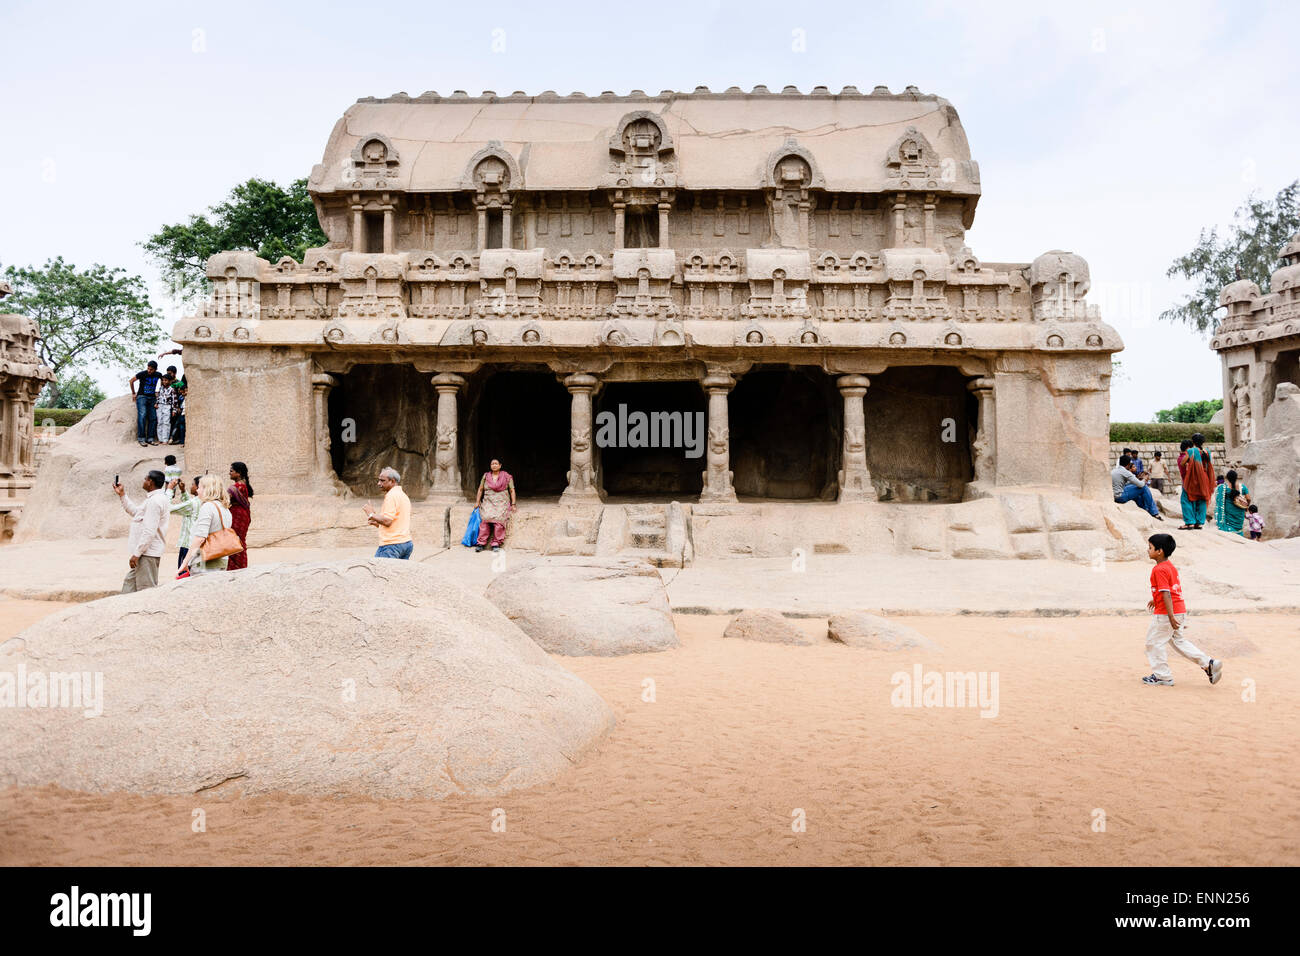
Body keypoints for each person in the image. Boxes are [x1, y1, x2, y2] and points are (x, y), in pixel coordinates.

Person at [1141, 533, 1222, 687]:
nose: (1148, 550)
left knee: (1153, 643)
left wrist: (1171, 617)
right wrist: (1157, 599)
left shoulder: (1159, 569)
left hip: (1166, 614)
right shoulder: (1170, 567)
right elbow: (1170, 590)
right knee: (1178, 641)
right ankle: (1208, 663)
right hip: (1178, 609)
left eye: (1150, 547)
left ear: (1160, 551)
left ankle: (1162, 676)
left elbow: (1166, 593)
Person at [113, 469, 170, 592]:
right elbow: (136, 512)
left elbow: (149, 531)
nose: (143, 481)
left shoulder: (155, 501)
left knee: (146, 591)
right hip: (144, 552)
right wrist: (122, 495)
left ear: (150, 482)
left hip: (147, 553)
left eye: (145, 479)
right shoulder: (154, 499)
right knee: (129, 587)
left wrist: (137, 554)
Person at [186, 474, 236, 575]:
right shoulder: (225, 508)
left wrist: (185, 562)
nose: (197, 491)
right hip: (221, 560)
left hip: (205, 561)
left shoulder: (208, 507)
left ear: (207, 489)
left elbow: (200, 538)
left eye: (199, 487)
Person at [364, 466, 413, 559]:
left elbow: (387, 521)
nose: (379, 483)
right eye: (379, 480)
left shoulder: (391, 496)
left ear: (393, 481)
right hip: (406, 543)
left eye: (382, 481)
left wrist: (371, 514)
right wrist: (377, 523)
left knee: (379, 572)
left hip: (391, 545)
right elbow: (396, 522)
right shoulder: (403, 495)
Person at [473, 458, 516, 551]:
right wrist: (477, 501)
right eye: (492, 464)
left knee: (499, 521)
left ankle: (496, 543)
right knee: (485, 520)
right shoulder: (486, 476)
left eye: (496, 464)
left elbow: (512, 490)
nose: (494, 465)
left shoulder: (506, 476)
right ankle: (481, 543)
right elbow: (480, 489)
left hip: (501, 502)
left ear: (500, 465)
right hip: (488, 502)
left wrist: (513, 504)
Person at [1179, 433, 1214, 530]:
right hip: (1205, 479)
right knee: (1202, 499)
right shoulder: (1207, 452)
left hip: (1192, 479)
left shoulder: (1191, 451)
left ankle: (1189, 522)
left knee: (1186, 499)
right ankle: (1199, 523)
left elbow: (1182, 463)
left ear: (1193, 442)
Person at [1111, 454, 1161, 518]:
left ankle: (1144, 509)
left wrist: (1138, 479)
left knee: (1135, 492)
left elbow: (1126, 483)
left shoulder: (1113, 471)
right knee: (1144, 488)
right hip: (1120, 497)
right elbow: (1140, 485)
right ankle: (1154, 512)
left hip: (1114, 495)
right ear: (1128, 464)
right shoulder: (1125, 472)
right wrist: (1144, 479)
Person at [169, 476, 202, 574]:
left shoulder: (193, 503)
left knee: (184, 574)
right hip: (198, 544)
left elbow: (169, 508)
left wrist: (169, 490)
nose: (191, 486)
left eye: (192, 484)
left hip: (188, 545)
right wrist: (183, 491)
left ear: (198, 487)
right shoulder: (205, 501)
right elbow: (189, 505)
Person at [226, 461, 253, 570]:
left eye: (231, 471)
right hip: (243, 515)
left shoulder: (236, 487)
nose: (229, 473)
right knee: (239, 541)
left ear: (239, 473)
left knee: (234, 541)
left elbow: (225, 499)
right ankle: (241, 565)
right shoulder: (244, 484)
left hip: (237, 516)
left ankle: (236, 567)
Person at [129, 361, 163, 447]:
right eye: (148, 368)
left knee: (153, 417)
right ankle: (141, 438)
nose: (149, 370)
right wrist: (133, 393)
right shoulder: (142, 374)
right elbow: (131, 381)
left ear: (155, 369)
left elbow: (162, 381)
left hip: (152, 397)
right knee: (142, 415)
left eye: (151, 369)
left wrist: (160, 391)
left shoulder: (158, 374)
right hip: (142, 396)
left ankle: (150, 439)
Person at [1212, 469, 1252, 536]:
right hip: (1240, 513)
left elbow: (1219, 501)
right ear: (1236, 477)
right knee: (1238, 528)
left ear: (1227, 478)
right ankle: (1239, 534)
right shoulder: (1243, 487)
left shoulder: (1223, 487)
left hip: (1229, 513)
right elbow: (1248, 498)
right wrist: (1246, 507)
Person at [155, 368, 177, 442]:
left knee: (166, 422)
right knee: (159, 422)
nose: (164, 382)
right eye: (163, 380)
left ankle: (165, 439)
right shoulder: (161, 388)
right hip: (160, 406)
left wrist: (174, 410)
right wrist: (156, 403)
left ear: (170, 381)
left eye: (166, 380)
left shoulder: (172, 389)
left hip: (167, 406)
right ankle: (160, 438)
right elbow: (159, 396)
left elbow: (174, 400)